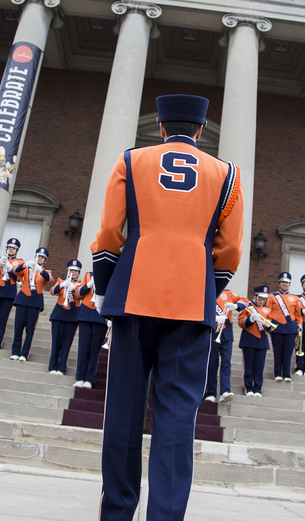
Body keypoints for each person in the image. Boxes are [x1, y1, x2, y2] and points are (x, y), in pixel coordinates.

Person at [91, 94, 243, 521]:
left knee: (123, 411)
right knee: (177, 418)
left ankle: (117, 513)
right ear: (199, 130)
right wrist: (208, 292)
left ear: (160, 128)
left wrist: (105, 288)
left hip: (132, 295)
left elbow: (107, 233)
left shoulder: (130, 160)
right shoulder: (227, 174)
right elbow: (229, 249)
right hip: (192, 302)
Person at [10, 247, 52, 361]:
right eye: (38, 256)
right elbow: (15, 271)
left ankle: (24, 353)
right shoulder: (27, 268)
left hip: (35, 302)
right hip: (23, 299)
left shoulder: (46, 272)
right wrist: (25, 265)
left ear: (45, 261)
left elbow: (49, 280)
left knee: (29, 330)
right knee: (18, 327)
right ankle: (15, 351)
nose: (40, 259)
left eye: (42, 258)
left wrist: (40, 270)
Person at [205, 289, 247, 403]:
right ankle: (211, 393)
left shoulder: (228, 293)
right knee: (212, 364)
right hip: (213, 332)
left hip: (227, 333)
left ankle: (225, 391)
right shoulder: (208, 291)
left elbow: (244, 301)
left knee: (226, 363)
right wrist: (214, 318)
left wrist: (236, 306)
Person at [0, 238, 24, 349]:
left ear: (16, 251)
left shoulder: (19, 262)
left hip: (9, 291)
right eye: (9, 248)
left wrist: (11, 268)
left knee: (3, 318)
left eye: (13, 248)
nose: (10, 250)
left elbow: (18, 278)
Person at [266, 272, 303, 382]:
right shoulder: (272, 296)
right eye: (282, 282)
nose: (284, 284)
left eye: (286, 282)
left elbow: (298, 314)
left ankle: (287, 374)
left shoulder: (295, 298)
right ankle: (277, 373)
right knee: (277, 351)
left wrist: (299, 325)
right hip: (276, 327)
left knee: (288, 352)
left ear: (289, 284)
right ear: (279, 283)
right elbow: (268, 311)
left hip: (290, 328)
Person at [74, 272, 109, 388]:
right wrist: (88, 285)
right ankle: (80, 377)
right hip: (85, 314)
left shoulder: (109, 275)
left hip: (100, 316)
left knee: (94, 350)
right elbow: (78, 293)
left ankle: (89, 378)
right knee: (83, 347)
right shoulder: (88, 275)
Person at [48, 259, 82, 375]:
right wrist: (62, 285)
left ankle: (62, 366)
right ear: (67, 271)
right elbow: (52, 292)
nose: (73, 273)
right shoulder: (60, 281)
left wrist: (74, 288)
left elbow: (81, 295)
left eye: (76, 271)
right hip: (59, 313)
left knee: (67, 343)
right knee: (56, 341)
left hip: (72, 315)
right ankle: (53, 366)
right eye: (71, 270)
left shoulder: (80, 285)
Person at [237, 285, 272, 397]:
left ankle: (258, 388)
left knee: (259, 367)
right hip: (249, 339)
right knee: (248, 366)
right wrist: (250, 320)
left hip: (262, 341)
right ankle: (248, 388)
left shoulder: (267, 309)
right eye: (260, 298)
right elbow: (241, 322)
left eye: (264, 299)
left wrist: (268, 325)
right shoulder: (248, 307)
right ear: (255, 296)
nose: (262, 301)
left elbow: (270, 325)